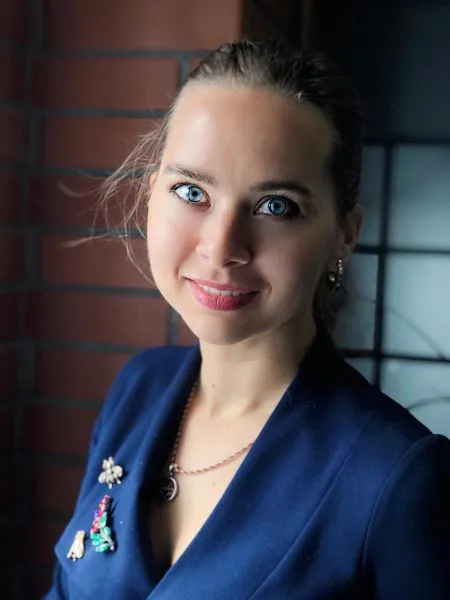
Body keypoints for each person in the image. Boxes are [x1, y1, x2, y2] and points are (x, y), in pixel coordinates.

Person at [44, 38, 450, 599]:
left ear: (344, 234)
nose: (221, 247)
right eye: (191, 191)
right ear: (151, 193)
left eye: (276, 206)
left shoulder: (397, 478)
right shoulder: (139, 387)